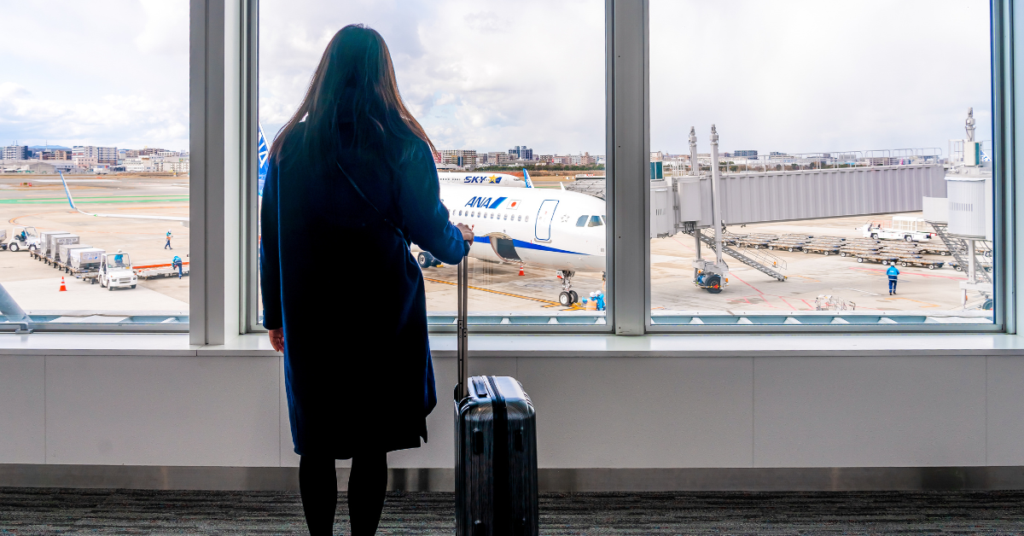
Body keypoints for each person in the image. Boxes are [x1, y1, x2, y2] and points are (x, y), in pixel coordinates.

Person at [259, 25, 473, 536]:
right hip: (382, 317)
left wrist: (275, 316)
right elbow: (431, 230)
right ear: (384, 75)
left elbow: (271, 239)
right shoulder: (402, 144)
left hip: (312, 317)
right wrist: (459, 240)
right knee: (370, 446)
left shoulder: (290, 146)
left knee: (316, 444)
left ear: (326, 73)